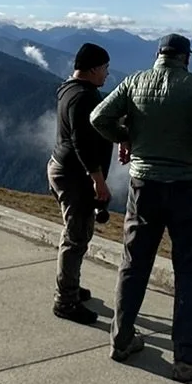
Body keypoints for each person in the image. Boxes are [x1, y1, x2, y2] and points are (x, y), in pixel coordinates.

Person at [90, 32, 192, 382]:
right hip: (186, 187)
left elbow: (98, 118)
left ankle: (121, 340)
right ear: (186, 57)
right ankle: (186, 358)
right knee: (190, 271)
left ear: (157, 55)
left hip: (144, 186)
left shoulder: (134, 81)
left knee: (134, 263)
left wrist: (126, 136)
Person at [46, 42, 115, 324]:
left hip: (61, 167)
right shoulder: (84, 98)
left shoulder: (67, 88)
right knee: (75, 238)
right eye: (106, 69)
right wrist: (98, 181)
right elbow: (83, 143)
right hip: (75, 175)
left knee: (77, 234)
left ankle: (71, 286)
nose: (107, 75)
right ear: (94, 68)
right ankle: (65, 301)